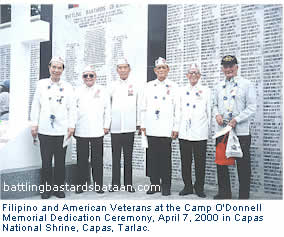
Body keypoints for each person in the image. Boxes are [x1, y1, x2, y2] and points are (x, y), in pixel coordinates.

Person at [30, 56, 76, 199]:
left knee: (60, 161)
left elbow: (72, 108)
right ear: (49, 68)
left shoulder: (68, 87)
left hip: (62, 130)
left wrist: (71, 125)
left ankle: (58, 188)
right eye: (54, 67)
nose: (56, 70)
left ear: (62, 70)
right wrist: (34, 124)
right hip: (44, 129)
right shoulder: (41, 84)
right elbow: (35, 105)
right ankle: (46, 189)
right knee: (46, 161)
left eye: (59, 67)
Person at [213, 55, 256, 199]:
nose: (228, 69)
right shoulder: (218, 86)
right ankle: (224, 193)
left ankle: (243, 195)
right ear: (222, 69)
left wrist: (237, 119)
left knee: (243, 164)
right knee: (221, 163)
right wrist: (217, 115)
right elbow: (214, 105)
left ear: (237, 67)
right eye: (225, 67)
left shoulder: (246, 84)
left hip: (241, 131)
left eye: (231, 66)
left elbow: (251, 107)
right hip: (222, 130)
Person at [141, 57, 180, 196]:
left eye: (164, 68)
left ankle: (166, 186)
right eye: (159, 68)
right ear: (155, 71)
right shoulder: (148, 86)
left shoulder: (174, 86)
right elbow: (143, 107)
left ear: (168, 70)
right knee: (152, 158)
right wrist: (143, 125)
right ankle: (154, 184)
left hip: (166, 128)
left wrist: (176, 127)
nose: (161, 70)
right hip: (152, 127)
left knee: (165, 159)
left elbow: (178, 109)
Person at [74, 65, 110, 194]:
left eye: (91, 75)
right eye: (85, 76)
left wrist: (106, 125)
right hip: (81, 129)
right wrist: (72, 126)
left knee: (97, 160)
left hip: (97, 129)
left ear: (95, 77)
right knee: (82, 159)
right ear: (82, 78)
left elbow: (108, 109)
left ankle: (98, 184)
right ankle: (81, 184)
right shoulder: (77, 91)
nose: (88, 78)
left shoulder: (103, 90)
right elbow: (73, 110)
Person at [178, 63, 211, 198]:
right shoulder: (181, 90)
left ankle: (199, 187)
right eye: (191, 73)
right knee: (185, 161)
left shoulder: (206, 90)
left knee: (200, 161)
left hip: (200, 131)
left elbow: (209, 111)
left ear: (199, 76)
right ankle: (187, 186)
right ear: (187, 76)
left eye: (196, 73)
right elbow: (178, 111)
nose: (193, 75)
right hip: (184, 132)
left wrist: (207, 130)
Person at [109, 58, 140, 192]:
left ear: (129, 69)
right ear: (117, 70)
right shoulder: (112, 85)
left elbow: (139, 105)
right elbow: (107, 105)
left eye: (125, 67)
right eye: (120, 68)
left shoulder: (135, 85)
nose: (122, 70)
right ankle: (115, 183)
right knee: (115, 156)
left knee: (128, 156)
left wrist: (138, 123)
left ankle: (128, 184)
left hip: (129, 126)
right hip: (115, 127)